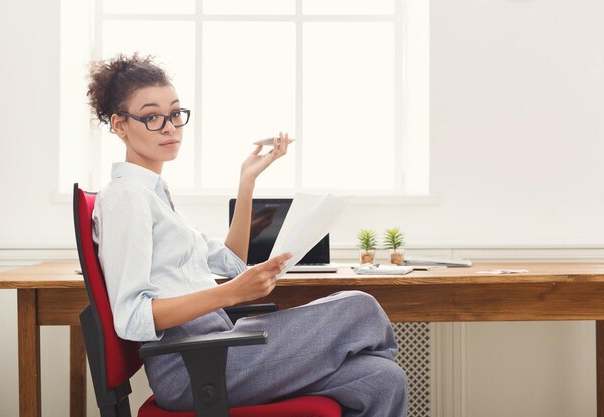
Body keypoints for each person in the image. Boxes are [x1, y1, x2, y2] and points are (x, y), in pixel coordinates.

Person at [87, 53, 408, 417]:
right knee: (360, 308)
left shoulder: (154, 196)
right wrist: (231, 292)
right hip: (193, 368)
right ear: (119, 125)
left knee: (382, 379)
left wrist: (247, 183)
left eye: (175, 113)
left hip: (222, 348)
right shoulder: (126, 198)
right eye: (151, 116)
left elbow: (232, 261)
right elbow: (132, 318)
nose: (169, 126)